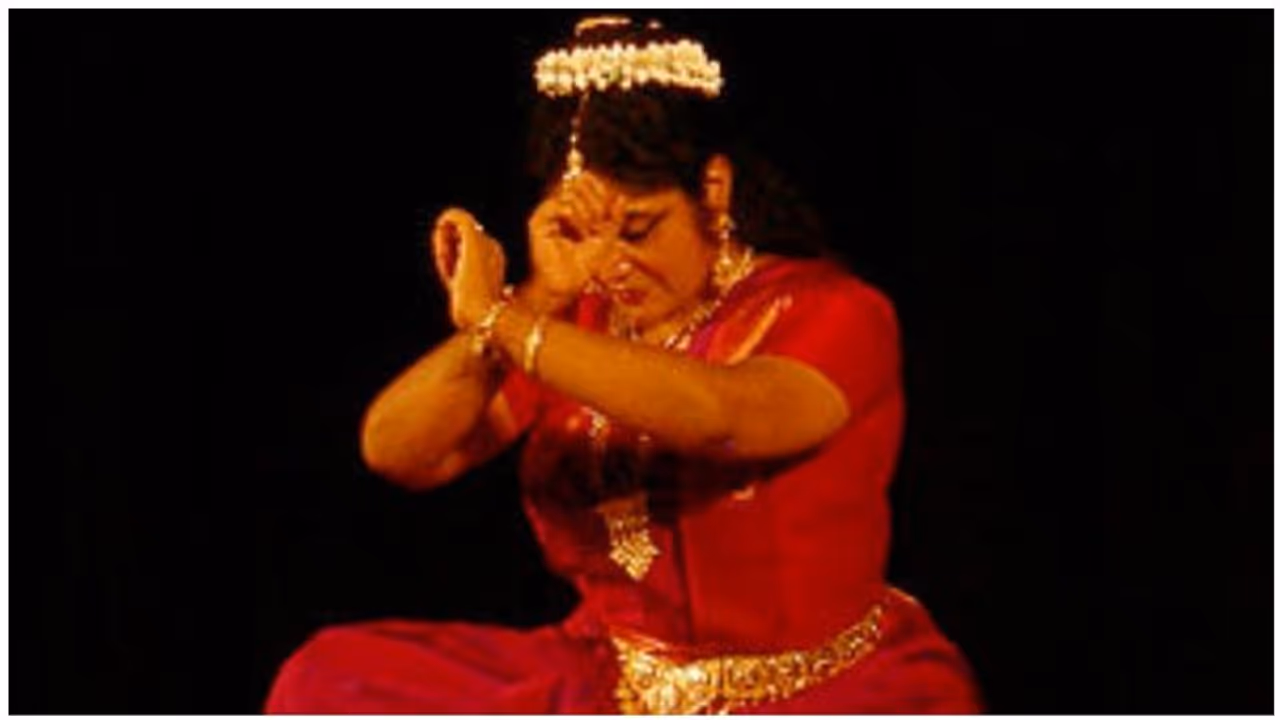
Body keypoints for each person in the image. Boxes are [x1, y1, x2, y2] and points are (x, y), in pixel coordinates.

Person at [266, 16, 982, 714]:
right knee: (331, 680)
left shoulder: (830, 312)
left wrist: (504, 319)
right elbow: (399, 451)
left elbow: (720, 419)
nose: (611, 264)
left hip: (817, 694)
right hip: (615, 685)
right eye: (582, 233)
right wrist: (539, 295)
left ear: (713, 189)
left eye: (638, 229)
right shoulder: (572, 321)